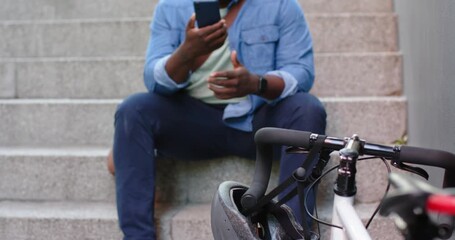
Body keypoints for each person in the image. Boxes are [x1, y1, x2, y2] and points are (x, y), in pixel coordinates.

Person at [112, 0, 327, 239]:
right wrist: (187, 53)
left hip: (258, 122)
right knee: (133, 110)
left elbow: (301, 72)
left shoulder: (280, 5)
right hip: (195, 123)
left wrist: (257, 83)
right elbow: (154, 80)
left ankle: (292, 233)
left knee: (308, 109)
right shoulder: (170, 7)